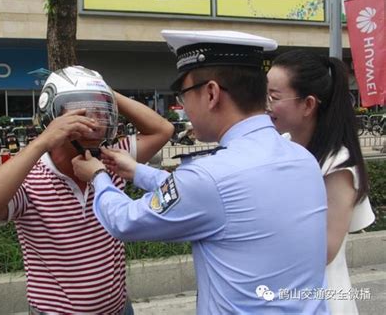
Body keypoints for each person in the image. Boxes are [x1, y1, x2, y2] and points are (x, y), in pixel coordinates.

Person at [72, 30, 329, 314]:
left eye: (183, 96)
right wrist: (137, 172)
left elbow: (125, 221)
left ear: (211, 93)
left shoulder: (210, 177)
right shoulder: (301, 158)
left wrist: (99, 176)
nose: (184, 108)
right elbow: (213, 198)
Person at [0, 66, 174, 314]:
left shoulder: (111, 161)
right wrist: (43, 141)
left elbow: (162, 130)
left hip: (119, 308)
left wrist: (104, 91)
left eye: (103, 113)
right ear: (54, 116)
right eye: (83, 111)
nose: (95, 123)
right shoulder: (30, 178)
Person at [266, 49, 375, 314]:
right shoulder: (284, 145)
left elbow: (323, 251)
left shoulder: (338, 166)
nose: (265, 104)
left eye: (274, 96)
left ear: (308, 104)